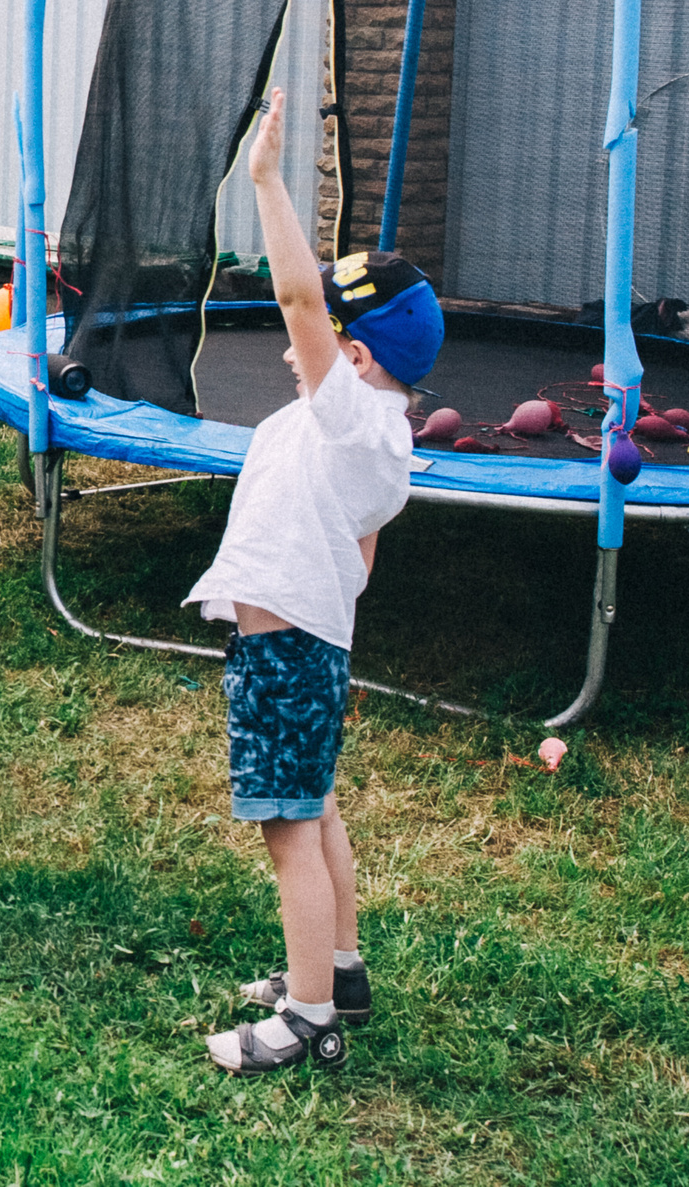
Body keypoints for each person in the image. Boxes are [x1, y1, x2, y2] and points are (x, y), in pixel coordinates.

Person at [192, 87, 442, 1075]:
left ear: (358, 354)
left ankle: (304, 1019)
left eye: (328, 340)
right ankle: (337, 970)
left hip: (286, 649)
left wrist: (263, 180)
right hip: (305, 644)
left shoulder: (351, 418)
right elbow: (363, 553)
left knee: (288, 829)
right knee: (317, 806)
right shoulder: (365, 434)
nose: (303, 350)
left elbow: (298, 296)